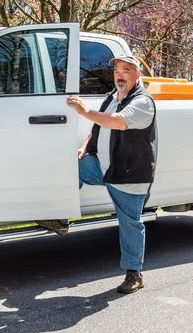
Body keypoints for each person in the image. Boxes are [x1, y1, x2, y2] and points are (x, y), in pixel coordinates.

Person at [68, 55, 158, 294]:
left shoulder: (142, 102)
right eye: (117, 70)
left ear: (138, 75)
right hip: (104, 168)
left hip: (129, 173)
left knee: (130, 223)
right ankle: (60, 215)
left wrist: (84, 110)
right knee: (70, 166)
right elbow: (98, 126)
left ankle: (134, 274)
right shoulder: (112, 96)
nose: (120, 74)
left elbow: (116, 122)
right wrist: (85, 146)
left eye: (126, 70)